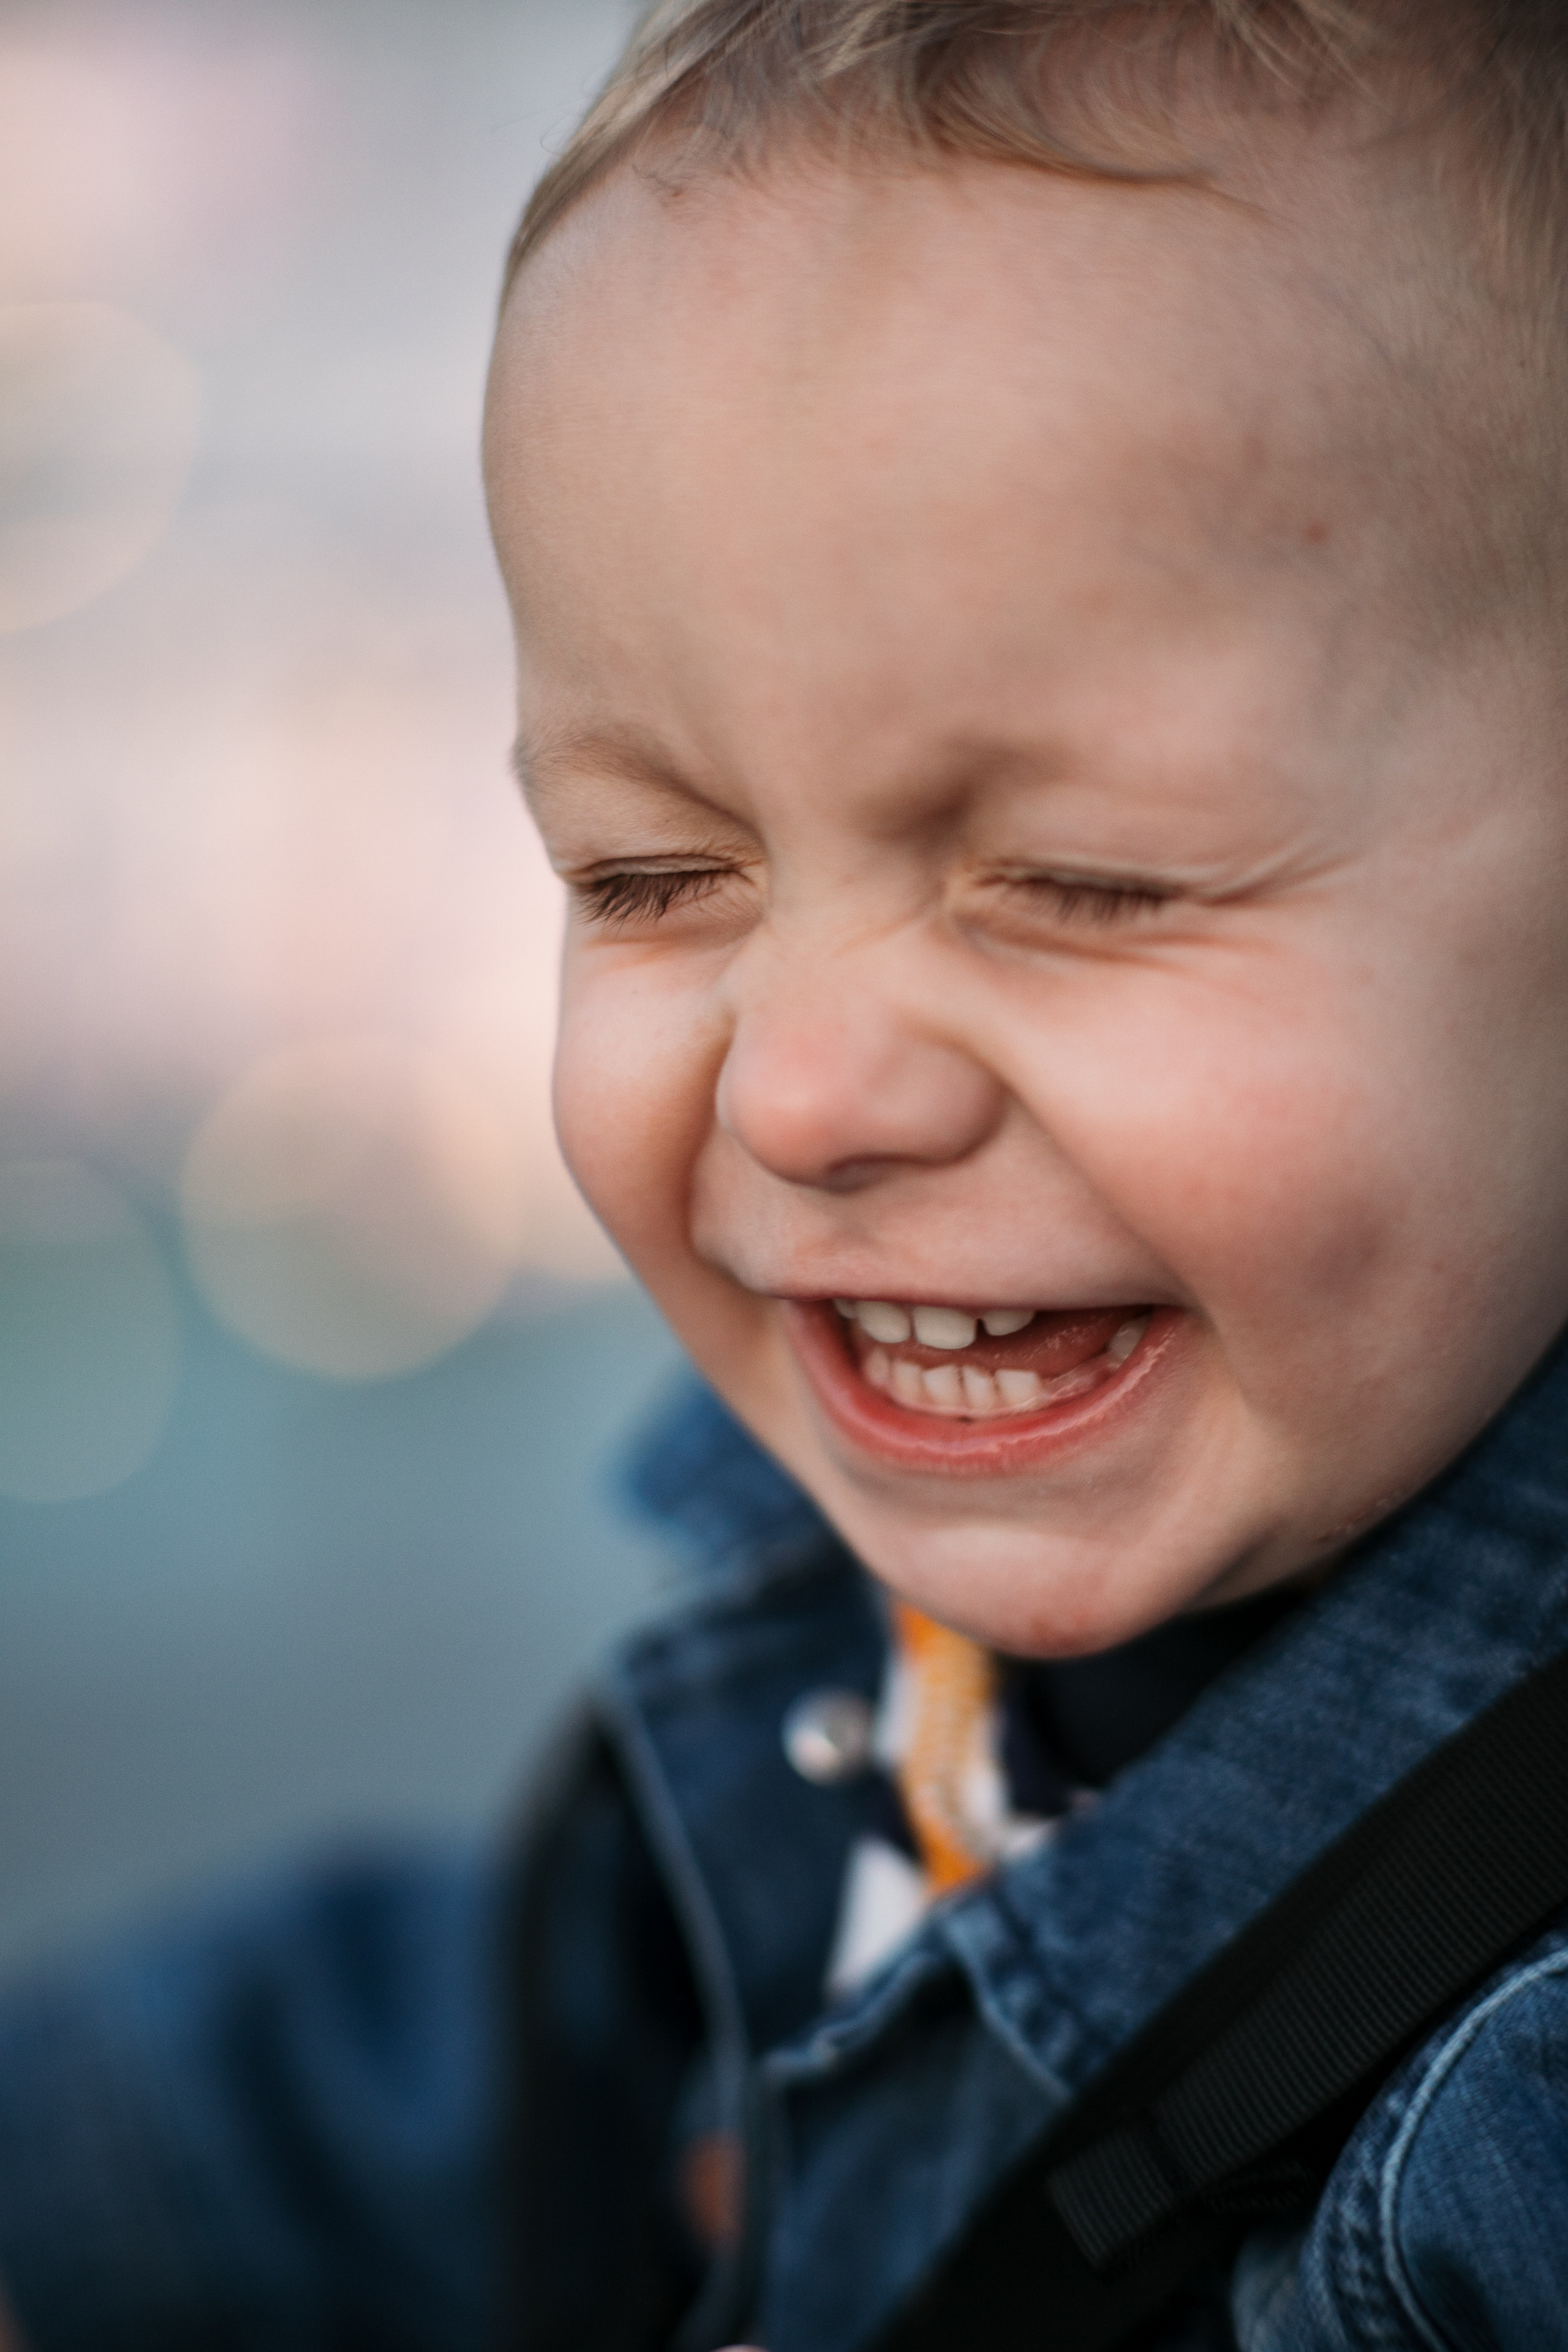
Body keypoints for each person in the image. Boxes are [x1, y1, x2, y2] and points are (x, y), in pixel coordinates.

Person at [6, 1, 1568, 2345]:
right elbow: (510, 2077)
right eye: (647, 877)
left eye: (1084, 878)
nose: (806, 1095)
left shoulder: (1510, 2133)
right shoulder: (849, 1661)